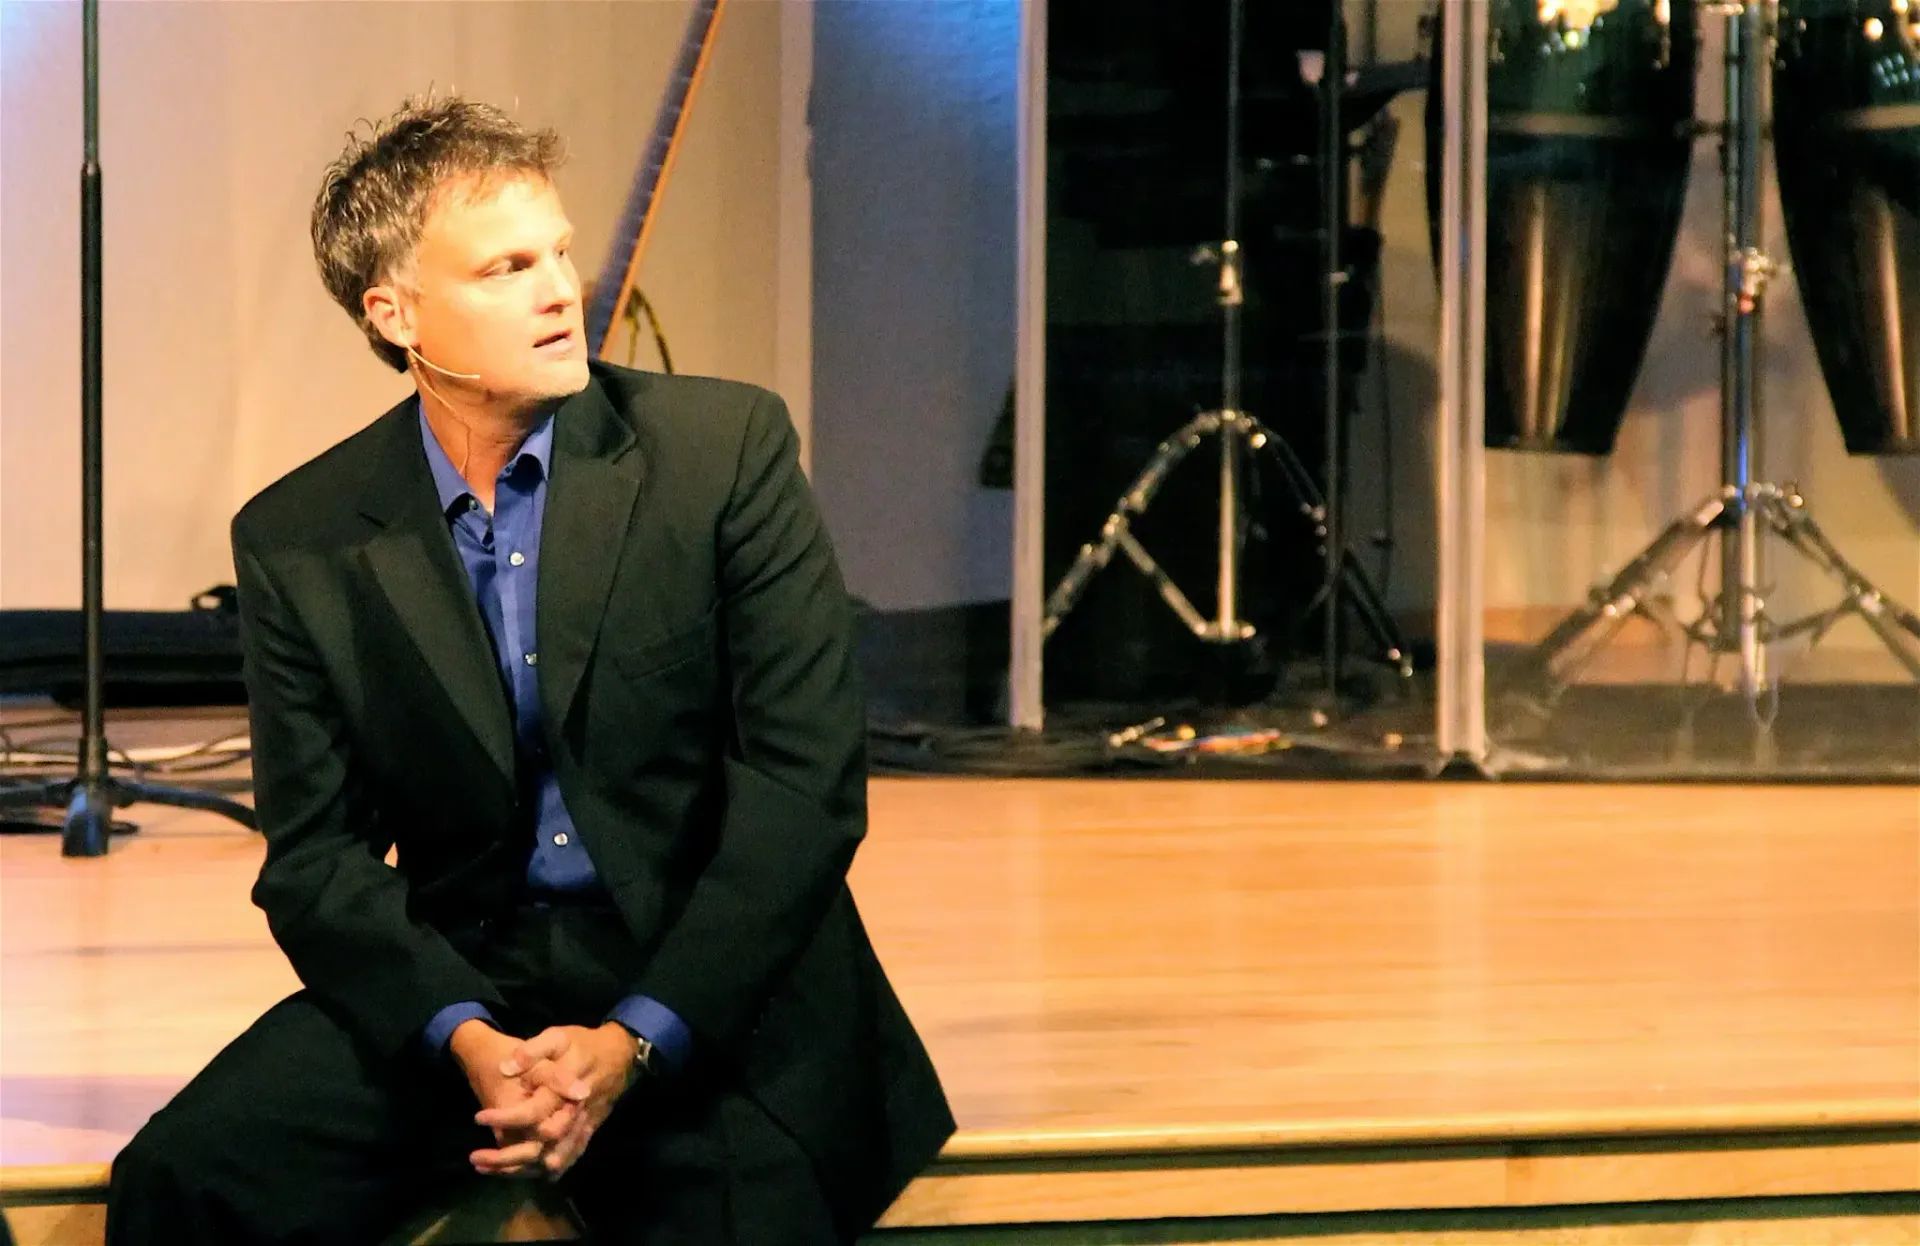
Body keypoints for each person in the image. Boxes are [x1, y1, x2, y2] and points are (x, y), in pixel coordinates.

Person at [105, 94, 955, 1245]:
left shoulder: (723, 453)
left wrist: (631, 1040)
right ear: (396, 313)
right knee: (184, 1178)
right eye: (507, 267)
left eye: (557, 251)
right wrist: (465, 1036)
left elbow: (802, 797)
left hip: (710, 977)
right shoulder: (300, 537)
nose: (562, 289)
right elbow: (318, 861)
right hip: (474, 982)